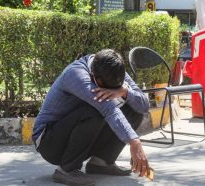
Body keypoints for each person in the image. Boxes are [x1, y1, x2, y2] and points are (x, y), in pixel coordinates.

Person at [32, 49, 150, 186]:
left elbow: (144, 106)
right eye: (106, 87)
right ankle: (66, 170)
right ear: (95, 78)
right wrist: (134, 142)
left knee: (133, 110)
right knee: (95, 110)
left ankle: (100, 163)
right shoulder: (76, 74)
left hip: (76, 135)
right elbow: (109, 110)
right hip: (49, 142)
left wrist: (124, 91)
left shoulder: (115, 70)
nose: (110, 90)